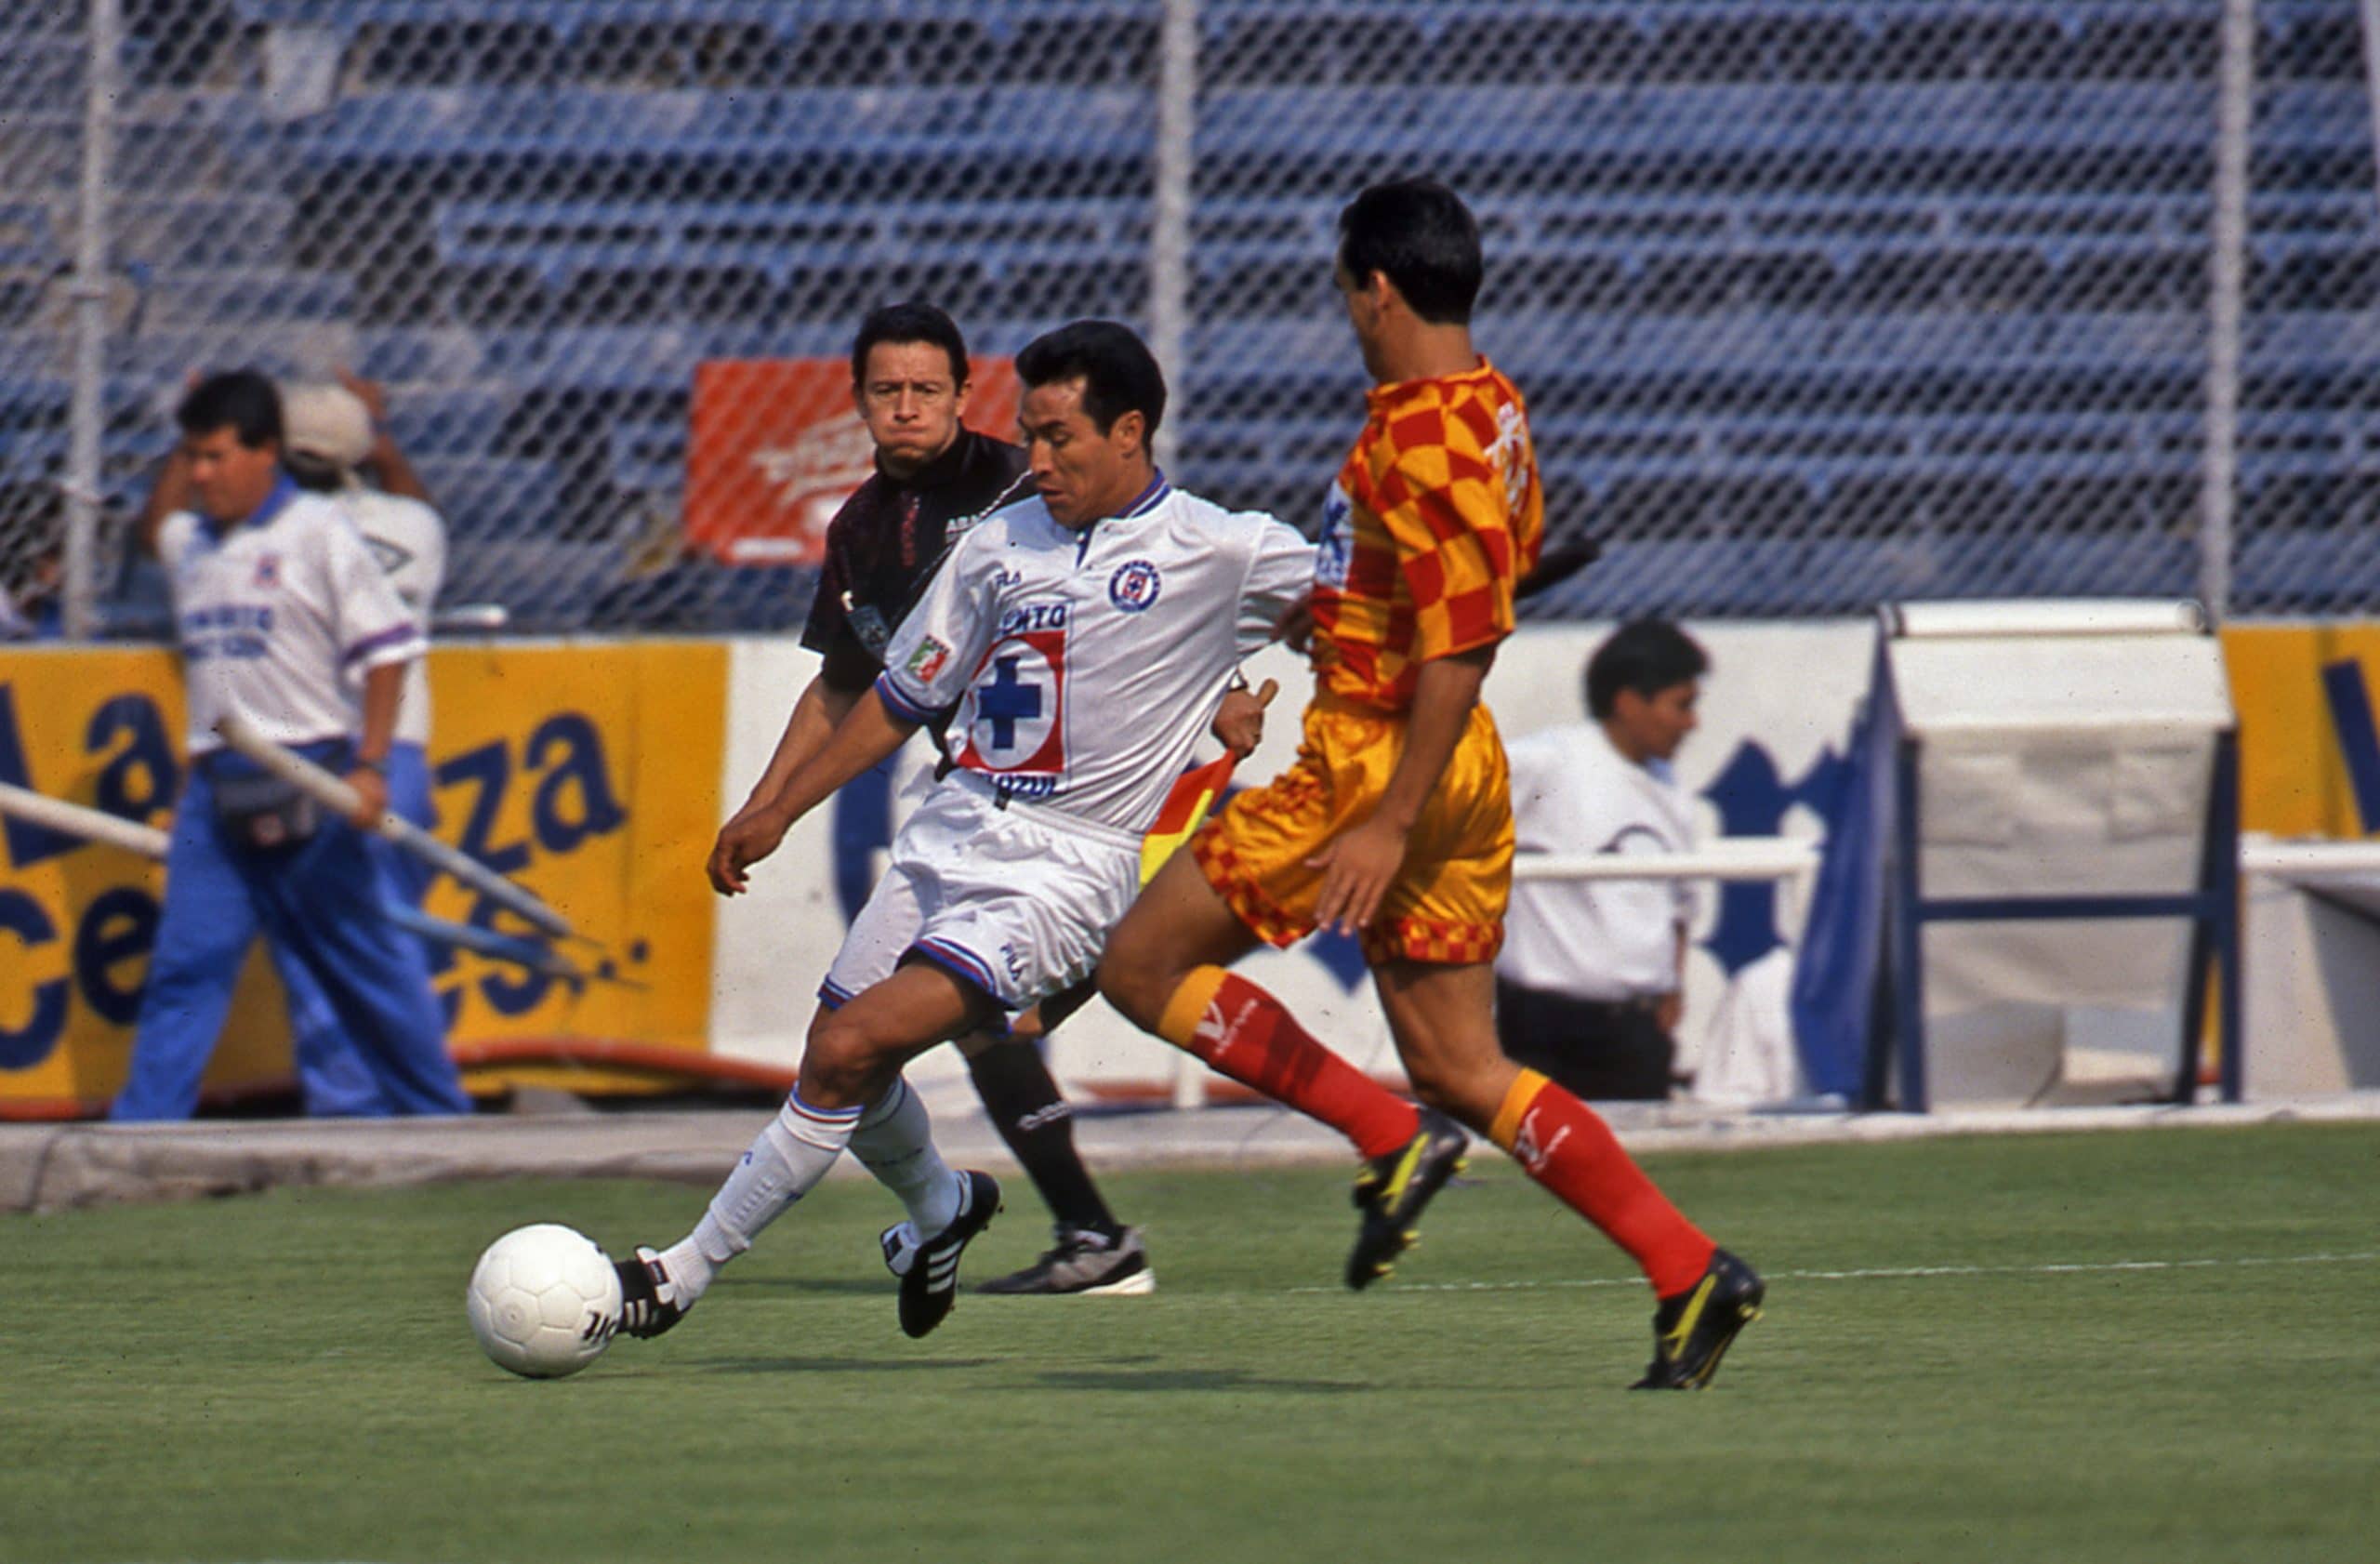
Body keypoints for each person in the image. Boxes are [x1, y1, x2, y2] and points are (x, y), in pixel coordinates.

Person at [1095, 179, 1764, 1390]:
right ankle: (1687, 1268)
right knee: (1465, 1063)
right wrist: (1340, 603)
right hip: (1457, 762)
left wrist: (1385, 819)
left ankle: (1384, 1133)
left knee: (1139, 966)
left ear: (1379, 287)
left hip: (1379, 761)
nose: (1346, 310)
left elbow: (1463, 637)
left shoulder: (1420, 437)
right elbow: (1448, 595)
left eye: (1347, 289)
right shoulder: (1488, 406)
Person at [614, 319, 1314, 1341]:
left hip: (1064, 866)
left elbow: (1364, 613)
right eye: (1028, 435)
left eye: (1060, 438)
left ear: (1129, 432)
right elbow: (899, 695)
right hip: (951, 825)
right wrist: (777, 807)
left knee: (852, 1048)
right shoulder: (996, 539)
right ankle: (945, 1207)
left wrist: (1255, 701)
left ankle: (682, 1271)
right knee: (837, 1048)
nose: (1037, 460)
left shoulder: (1225, 545)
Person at [109, 369, 468, 1122]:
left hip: (311, 771)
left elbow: (388, 648)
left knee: (365, 968)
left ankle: (444, 1125)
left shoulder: (318, 534)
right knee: (187, 967)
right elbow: (156, 526)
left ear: (265, 452)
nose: (202, 475)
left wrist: (370, 764)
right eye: (194, 459)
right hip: (215, 790)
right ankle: (140, 1140)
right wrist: (186, 429)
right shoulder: (193, 542)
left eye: (215, 458)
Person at [266, 376, 453, 1115]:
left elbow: (168, 532)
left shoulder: (272, 529)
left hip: (313, 749)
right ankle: (420, 1106)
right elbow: (414, 504)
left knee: (323, 944)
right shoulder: (414, 524)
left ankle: (351, 1109)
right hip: (397, 750)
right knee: (386, 945)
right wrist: (372, 428)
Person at [1497, 619, 1710, 1101]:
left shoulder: (1671, 790)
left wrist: (1671, 988)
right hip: (1540, 1029)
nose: (1692, 723)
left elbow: (1680, 908)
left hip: (1635, 1034)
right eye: (1682, 705)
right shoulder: (1550, 760)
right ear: (1629, 702)